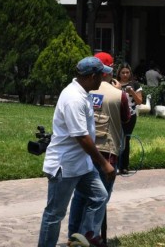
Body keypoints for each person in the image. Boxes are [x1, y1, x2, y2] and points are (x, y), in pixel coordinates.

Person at [38, 56, 116, 247]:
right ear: (90, 76)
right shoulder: (73, 98)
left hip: (82, 165)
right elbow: (82, 138)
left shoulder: (83, 92)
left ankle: (84, 240)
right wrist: (104, 163)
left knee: (99, 196)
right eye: (100, 75)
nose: (103, 78)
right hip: (65, 167)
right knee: (55, 213)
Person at [68, 52, 131, 245]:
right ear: (108, 70)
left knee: (79, 195)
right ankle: (89, 236)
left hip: (83, 152)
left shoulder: (80, 90)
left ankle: (73, 235)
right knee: (100, 197)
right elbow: (126, 119)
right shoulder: (118, 95)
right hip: (107, 153)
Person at [116, 62, 143, 175]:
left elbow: (139, 101)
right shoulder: (115, 84)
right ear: (119, 73)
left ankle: (124, 166)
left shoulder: (135, 85)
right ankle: (115, 164)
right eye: (123, 72)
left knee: (126, 139)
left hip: (130, 115)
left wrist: (131, 91)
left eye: (127, 72)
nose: (125, 75)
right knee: (116, 139)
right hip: (117, 114)